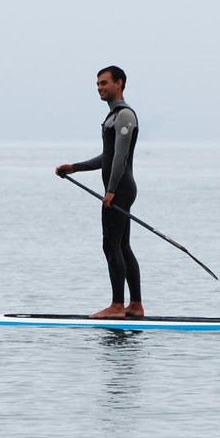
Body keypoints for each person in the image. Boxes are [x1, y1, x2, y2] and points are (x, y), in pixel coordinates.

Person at [56, 66, 143, 319]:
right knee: (122, 246)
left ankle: (117, 306)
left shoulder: (125, 115)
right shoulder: (112, 117)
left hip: (121, 188)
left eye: (104, 83)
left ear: (120, 83)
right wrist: (75, 168)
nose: (100, 88)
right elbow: (107, 157)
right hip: (118, 189)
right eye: (97, 84)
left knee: (111, 245)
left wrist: (112, 190)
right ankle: (135, 305)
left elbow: (120, 157)